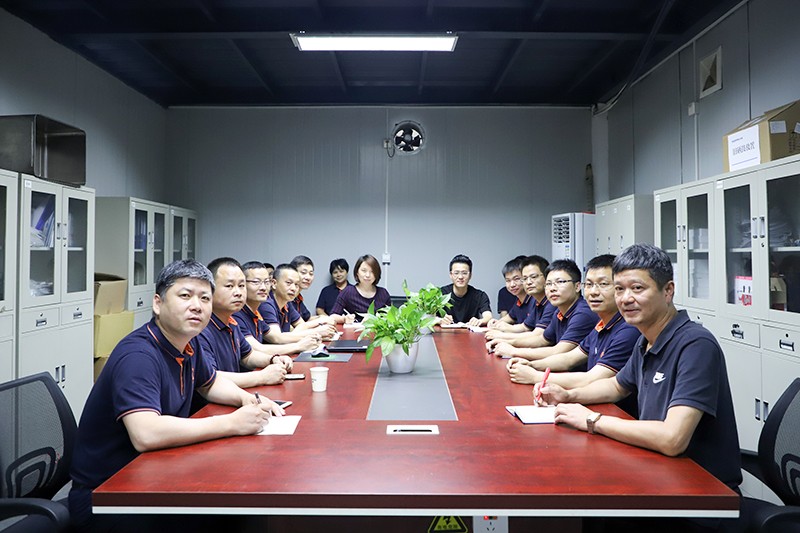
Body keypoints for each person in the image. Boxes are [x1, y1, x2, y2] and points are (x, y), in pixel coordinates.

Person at [68, 260, 282, 532]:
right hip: (109, 496)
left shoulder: (187, 343)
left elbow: (210, 383)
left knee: (244, 501)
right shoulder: (139, 355)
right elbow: (146, 434)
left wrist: (247, 400)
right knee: (237, 511)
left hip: (154, 474)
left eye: (205, 298)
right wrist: (232, 423)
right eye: (185, 295)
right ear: (158, 304)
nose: (197, 306)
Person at [536, 244, 741, 501]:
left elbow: (672, 439)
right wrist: (568, 395)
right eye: (619, 289)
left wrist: (592, 420)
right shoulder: (646, 340)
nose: (625, 299)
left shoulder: (695, 344)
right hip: (656, 471)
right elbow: (616, 386)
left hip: (699, 493)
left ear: (668, 290)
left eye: (637, 288)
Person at [506, 255, 640, 416]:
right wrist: (531, 365)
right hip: (596, 406)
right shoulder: (601, 325)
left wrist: (535, 376)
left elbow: (592, 378)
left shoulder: (628, 329)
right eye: (589, 284)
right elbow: (570, 358)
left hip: (618, 414)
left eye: (603, 284)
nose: (593, 292)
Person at [199, 258, 296, 393]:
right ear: (209, 289)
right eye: (229, 286)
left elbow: (247, 356)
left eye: (241, 285)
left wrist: (273, 359)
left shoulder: (231, 322)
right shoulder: (200, 328)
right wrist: (262, 376)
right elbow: (211, 378)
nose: (238, 292)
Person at [489, 259, 598, 361]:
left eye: (560, 282)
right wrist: (506, 342)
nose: (553, 288)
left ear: (578, 286)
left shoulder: (583, 313)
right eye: (549, 284)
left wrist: (513, 351)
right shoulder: (559, 311)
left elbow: (559, 351)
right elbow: (542, 339)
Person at [234, 261, 319, 357]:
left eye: (266, 282)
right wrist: (299, 346)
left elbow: (274, 336)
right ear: (242, 285)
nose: (263, 287)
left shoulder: (256, 313)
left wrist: (312, 337)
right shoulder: (237, 314)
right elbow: (259, 348)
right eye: (256, 282)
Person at [261, 263, 336, 344]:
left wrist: (320, 326)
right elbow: (277, 339)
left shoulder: (287, 303)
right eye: (288, 283)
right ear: (274, 283)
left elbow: (302, 325)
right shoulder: (266, 304)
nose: (294, 288)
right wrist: (315, 332)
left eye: (296, 284)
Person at [485, 255, 553, 340]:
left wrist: (502, 336)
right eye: (525, 278)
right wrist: (498, 324)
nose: (528, 282)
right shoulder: (538, 303)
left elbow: (538, 335)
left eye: (533, 277)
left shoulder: (551, 303)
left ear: (547, 277)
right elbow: (524, 327)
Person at [439, 254, 492, 326]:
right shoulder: (441, 293)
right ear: (451, 275)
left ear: (470, 275)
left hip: (470, 332)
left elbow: (488, 316)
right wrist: (439, 320)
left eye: (464, 273)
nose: (460, 277)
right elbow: (430, 317)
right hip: (445, 332)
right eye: (456, 273)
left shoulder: (480, 296)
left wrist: (480, 321)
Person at [486, 257, 531, 329]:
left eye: (516, 279)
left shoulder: (534, 301)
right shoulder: (519, 301)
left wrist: (507, 329)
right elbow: (510, 317)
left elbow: (527, 329)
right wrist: (496, 322)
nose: (512, 285)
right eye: (508, 280)